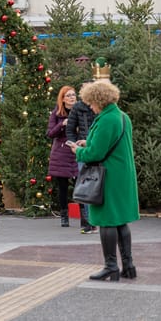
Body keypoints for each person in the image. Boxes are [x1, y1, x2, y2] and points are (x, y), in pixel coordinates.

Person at [67, 80, 140, 281]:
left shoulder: (107, 119)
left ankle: (110, 267)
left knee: (107, 221)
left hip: (108, 177)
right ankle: (128, 266)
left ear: (99, 100)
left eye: (91, 102)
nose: (90, 106)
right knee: (120, 221)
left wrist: (79, 150)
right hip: (121, 175)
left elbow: (96, 153)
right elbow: (110, 144)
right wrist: (88, 141)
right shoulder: (121, 116)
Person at [66, 83, 97, 234]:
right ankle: (88, 222)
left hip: (97, 149)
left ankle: (98, 220)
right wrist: (74, 146)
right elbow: (70, 129)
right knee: (85, 186)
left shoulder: (99, 106)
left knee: (100, 184)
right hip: (82, 150)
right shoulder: (77, 108)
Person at [47, 86, 78, 227]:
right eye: (69, 95)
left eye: (74, 95)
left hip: (77, 151)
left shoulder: (80, 112)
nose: (72, 97)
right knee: (63, 187)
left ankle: (85, 215)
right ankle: (64, 215)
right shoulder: (56, 113)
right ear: (63, 98)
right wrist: (62, 124)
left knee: (82, 184)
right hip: (61, 154)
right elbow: (50, 133)